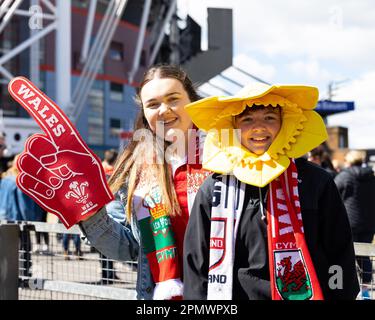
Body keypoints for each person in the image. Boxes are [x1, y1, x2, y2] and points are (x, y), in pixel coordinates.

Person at [11, 64, 210, 299]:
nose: (164, 110)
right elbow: (128, 246)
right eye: (153, 104)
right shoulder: (136, 168)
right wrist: (88, 211)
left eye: (173, 99)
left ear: (193, 101)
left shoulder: (225, 157)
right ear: (144, 112)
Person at [183, 83, 360, 300]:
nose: (258, 128)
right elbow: (196, 267)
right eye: (247, 119)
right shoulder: (213, 188)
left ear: (285, 123)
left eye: (269, 118)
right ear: (233, 127)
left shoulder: (317, 182)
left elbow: (339, 254)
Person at [335, 150, 375, 299]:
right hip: (369, 221)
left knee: (348, 255)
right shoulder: (371, 176)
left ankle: (349, 289)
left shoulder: (344, 176)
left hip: (349, 221)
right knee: (365, 256)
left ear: (348, 161)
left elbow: (332, 192)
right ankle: (366, 290)